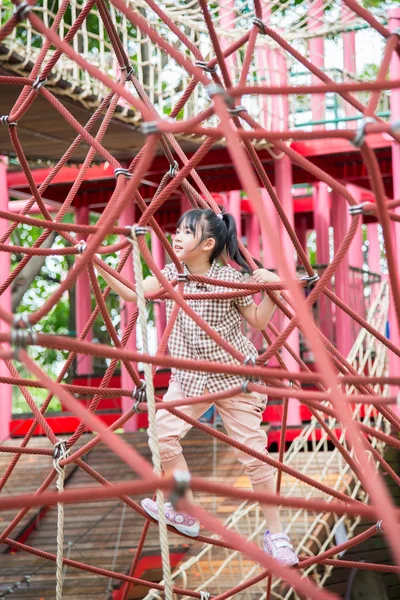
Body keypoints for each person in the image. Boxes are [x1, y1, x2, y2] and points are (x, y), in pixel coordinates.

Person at [96, 208, 298, 567]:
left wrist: (270, 287)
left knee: (254, 455)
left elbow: (256, 319)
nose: (176, 236)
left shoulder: (228, 278)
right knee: (162, 437)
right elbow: (131, 294)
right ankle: (185, 510)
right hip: (189, 378)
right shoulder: (174, 275)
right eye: (177, 229)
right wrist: (95, 261)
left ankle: (277, 536)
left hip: (234, 377)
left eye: (186, 232)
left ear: (207, 244)